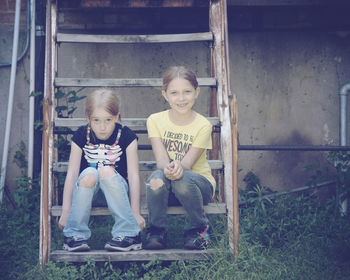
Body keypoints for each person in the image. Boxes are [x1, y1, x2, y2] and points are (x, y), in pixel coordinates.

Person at [58, 88, 145, 252]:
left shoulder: (127, 136)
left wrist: (135, 212)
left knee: (106, 171)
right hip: (87, 193)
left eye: (108, 120)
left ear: (117, 116)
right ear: (87, 118)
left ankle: (128, 234)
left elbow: (133, 175)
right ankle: (75, 235)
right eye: (96, 120)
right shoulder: (81, 135)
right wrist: (65, 211)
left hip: (118, 193)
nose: (102, 127)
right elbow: (72, 175)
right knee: (90, 174)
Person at [143, 66, 216, 250]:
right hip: (169, 184)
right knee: (155, 180)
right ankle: (157, 230)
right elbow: (161, 160)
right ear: (165, 95)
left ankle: (199, 229)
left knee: (182, 179)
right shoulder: (155, 120)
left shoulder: (203, 125)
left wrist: (176, 168)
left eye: (187, 92)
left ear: (196, 92)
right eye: (174, 93)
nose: (181, 98)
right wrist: (167, 169)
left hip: (199, 187)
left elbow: (187, 164)